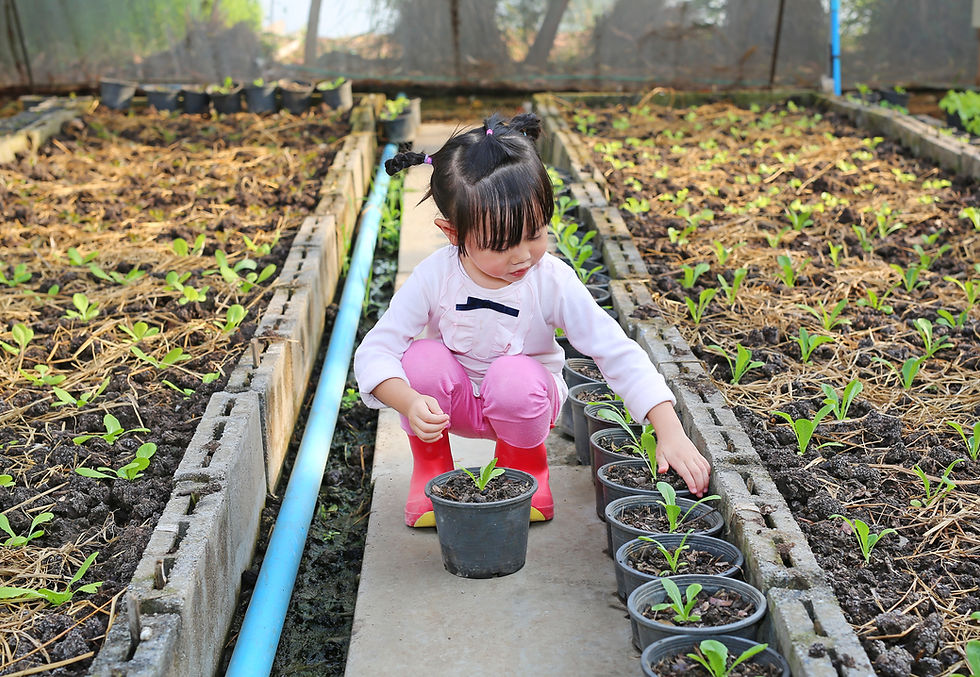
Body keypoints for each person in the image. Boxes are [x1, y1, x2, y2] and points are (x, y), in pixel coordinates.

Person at [353, 111, 710, 528]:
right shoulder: (435, 275)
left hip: (523, 405)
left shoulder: (551, 280)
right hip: (448, 407)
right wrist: (408, 401)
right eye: (500, 244)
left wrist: (669, 429)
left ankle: (525, 470)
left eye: (536, 233)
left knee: (515, 376)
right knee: (420, 361)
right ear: (453, 233)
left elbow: (613, 349)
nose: (522, 256)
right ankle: (432, 470)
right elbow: (377, 349)